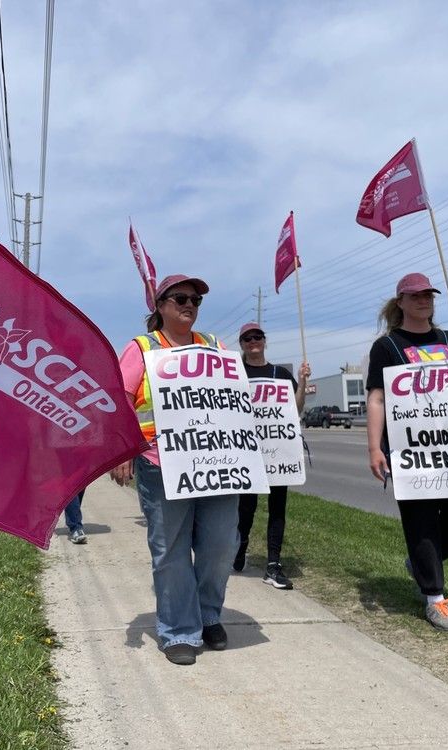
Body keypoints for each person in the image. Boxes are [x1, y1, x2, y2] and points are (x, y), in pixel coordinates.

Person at [110, 274, 240, 666]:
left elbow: (234, 400)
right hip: (160, 464)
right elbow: (120, 399)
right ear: (160, 306)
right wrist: (120, 452)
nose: (189, 304)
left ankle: (207, 614)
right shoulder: (142, 348)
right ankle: (179, 630)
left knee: (220, 547)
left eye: (196, 300)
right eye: (180, 298)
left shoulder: (215, 347)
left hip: (217, 464)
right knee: (171, 551)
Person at [365, 272, 448, 633]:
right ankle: (434, 598)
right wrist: (373, 447)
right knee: (421, 520)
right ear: (400, 302)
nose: (423, 300)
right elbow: (377, 397)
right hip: (408, 447)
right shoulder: (387, 346)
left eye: (428, 295)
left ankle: (420, 564)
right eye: (415, 296)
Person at [234, 322, 311, 590]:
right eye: (247, 338)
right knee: (246, 508)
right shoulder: (236, 374)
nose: (252, 341)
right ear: (241, 344)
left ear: (264, 341)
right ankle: (239, 550)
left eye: (257, 337)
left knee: (278, 508)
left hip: (278, 453)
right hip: (247, 452)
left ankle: (273, 565)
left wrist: (301, 382)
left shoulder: (279, 373)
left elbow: (295, 409)